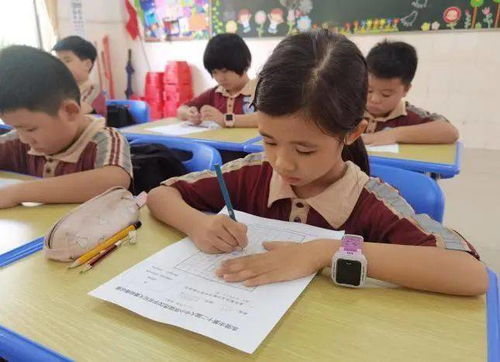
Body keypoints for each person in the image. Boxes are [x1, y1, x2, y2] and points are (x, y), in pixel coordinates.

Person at [147, 31, 487, 296]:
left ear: (353, 133)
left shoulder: (370, 201)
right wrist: (197, 225)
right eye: (269, 140)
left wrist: (326, 251)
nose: (281, 162)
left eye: (305, 150)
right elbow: (161, 195)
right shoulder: (252, 173)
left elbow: (470, 274)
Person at [0, 45, 132, 209]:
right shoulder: (19, 140)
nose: (23, 138)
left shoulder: (104, 139)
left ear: (69, 112)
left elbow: (113, 181)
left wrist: (16, 192)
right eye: (15, 128)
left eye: (30, 129)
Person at [362, 40, 459, 146]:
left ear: (406, 90)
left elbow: (450, 132)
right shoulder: (350, 109)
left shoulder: (409, 115)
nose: (374, 99)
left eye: (386, 94)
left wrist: (392, 134)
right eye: (369, 90)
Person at [177, 33, 258, 128]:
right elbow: (180, 110)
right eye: (214, 72)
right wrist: (189, 114)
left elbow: (267, 118)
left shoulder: (260, 90)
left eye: (225, 71)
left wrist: (225, 119)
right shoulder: (216, 93)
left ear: (243, 64)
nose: (220, 78)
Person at [53, 36, 106, 116]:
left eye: (67, 60)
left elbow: (72, 116)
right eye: (59, 61)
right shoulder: (64, 91)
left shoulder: (93, 92)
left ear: (87, 65)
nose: (61, 65)